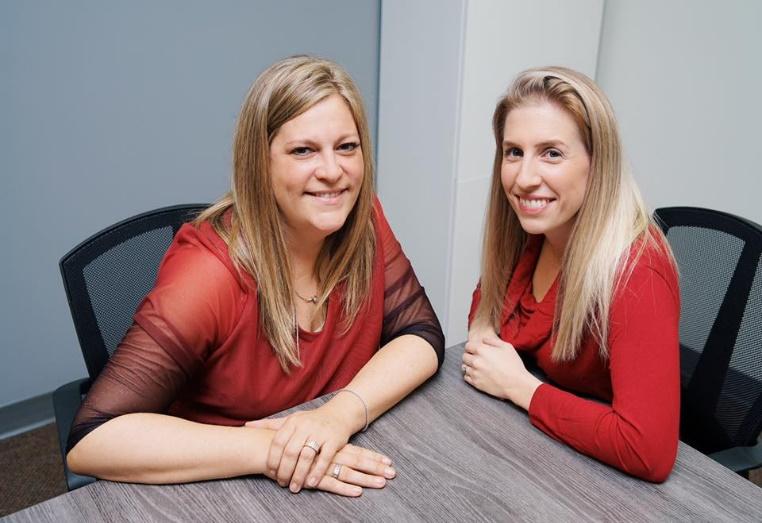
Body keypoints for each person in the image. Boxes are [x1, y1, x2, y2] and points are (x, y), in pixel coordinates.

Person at [66, 55, 444, 497]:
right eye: (303, 150)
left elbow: (420, 333)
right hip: (224, 489)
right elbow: (93, 439)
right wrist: (272, 450)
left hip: (330, 462)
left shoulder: (362, 222)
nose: (333, 171)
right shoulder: (210, 273)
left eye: (347, 147)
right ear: (259, 164)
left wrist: (338, 415)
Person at [463, 67, 680, 482]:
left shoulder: (638, 271)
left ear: (597, 163)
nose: (525, 178)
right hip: (545, 455)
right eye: (513, 152)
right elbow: (492, 307)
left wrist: (520, 387)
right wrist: (483, 328)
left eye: (552, 153)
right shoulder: (539, 229)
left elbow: (647, 449)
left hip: (609, 484)